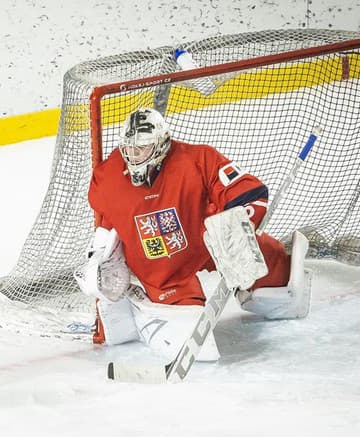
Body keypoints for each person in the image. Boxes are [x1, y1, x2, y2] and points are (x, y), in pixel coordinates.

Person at [75, 108, 312, 360]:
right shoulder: (108, 177)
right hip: (163, 271)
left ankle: (265, 289)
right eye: (128, 148)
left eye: (141, 148)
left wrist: (238, 232)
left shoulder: (197, 159)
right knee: (189, 330)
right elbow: (107, 221)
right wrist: (99, 253)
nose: (133, 156)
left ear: (161, 144)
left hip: (208, 242)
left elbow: (246, 192)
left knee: (275, 271)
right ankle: (147, 316)